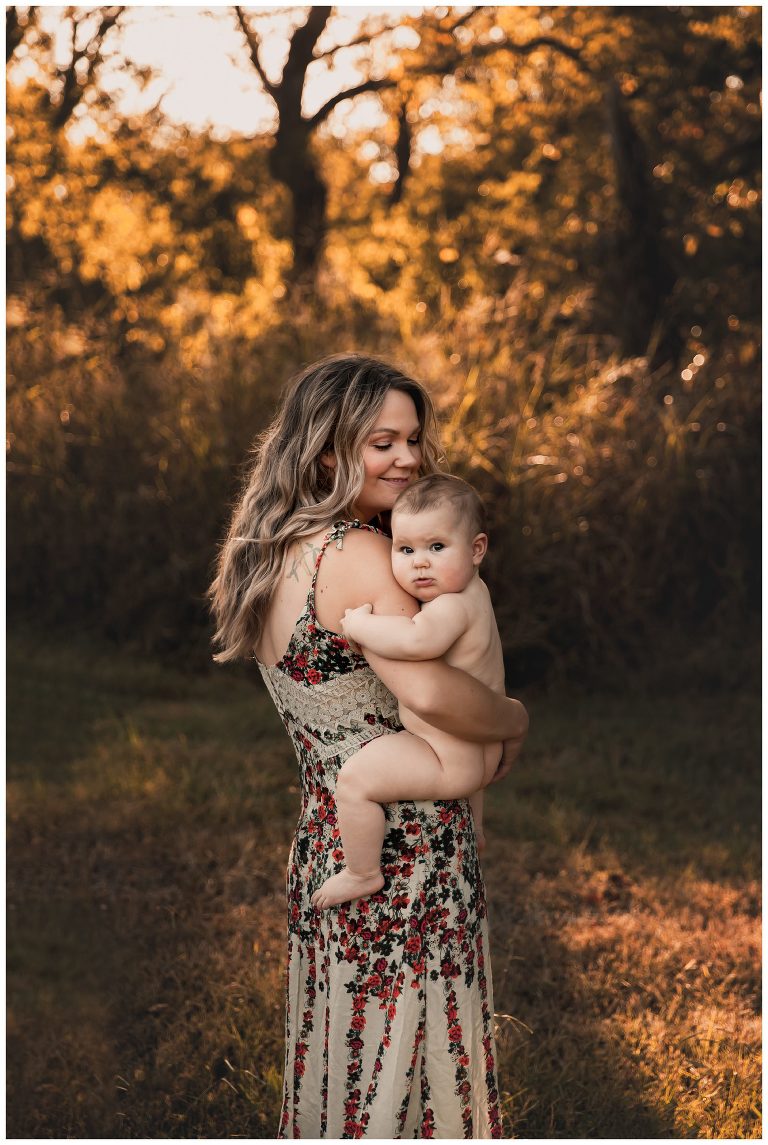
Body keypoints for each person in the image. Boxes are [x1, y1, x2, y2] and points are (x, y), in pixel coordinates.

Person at [208, 353, 529, 1139]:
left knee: (349, 1054)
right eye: (382, 441)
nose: (409, 457)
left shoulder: (270, 552)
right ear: (327, 446)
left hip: (333, 833)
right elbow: (425, 692)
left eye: (413, 439)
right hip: (411, 842)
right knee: (408, 1061)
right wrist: (514, 717)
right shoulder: (359, 554)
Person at [311, 473, 505, 912]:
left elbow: (417, 640)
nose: (420, 563)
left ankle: (362, 872)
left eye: (436, 548)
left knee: (355, 780)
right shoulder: (476, 593)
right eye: (405, 549)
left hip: (446, 757)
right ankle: (473, 826)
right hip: (479, 746)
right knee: (457, 774)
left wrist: (360, 626)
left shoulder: (452, 606)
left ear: (477, 549)